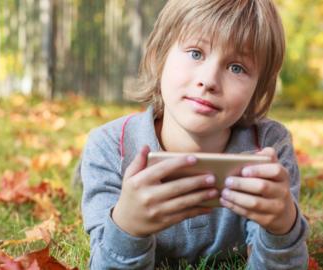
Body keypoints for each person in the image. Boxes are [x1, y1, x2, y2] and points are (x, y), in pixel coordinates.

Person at [80, 0, 309, 269]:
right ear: (159, 55)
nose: (209, 80)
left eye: (237, 67)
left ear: (257, 89)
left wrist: (282, 228)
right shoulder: (108, 147)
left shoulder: (269, 146)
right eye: (196, 53)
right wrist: (128, 227)